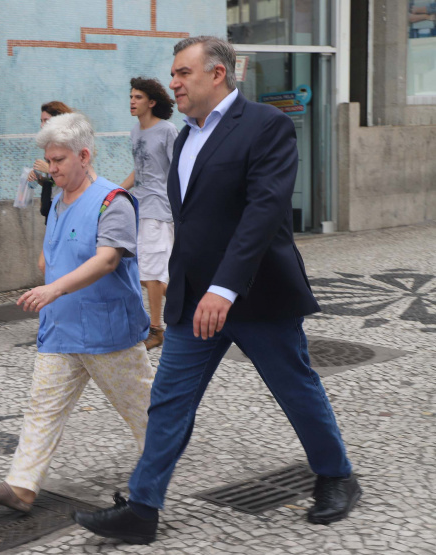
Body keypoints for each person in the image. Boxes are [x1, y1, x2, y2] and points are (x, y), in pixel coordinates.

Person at [74, 37, 360, 544]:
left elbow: (263, 212)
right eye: (174, 74)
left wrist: (225, 288)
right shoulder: (185, 137)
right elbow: (192, 220)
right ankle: (142, 509)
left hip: (256, 296)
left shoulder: (266, 125)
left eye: (183, 73)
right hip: (192, 300)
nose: (174, 83)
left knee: (294, 388)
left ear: (218, 75)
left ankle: (336, 475)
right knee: (168, 402)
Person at [0, 113, 154, 513]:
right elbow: (55, 252)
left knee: (145, 415)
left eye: (58, 161)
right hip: (60, 331)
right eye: (49, 160)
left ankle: (153, 484)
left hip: (109, 335)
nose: (50, 168)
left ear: (84, 155)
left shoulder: (114, 201)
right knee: (42, 408)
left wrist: (54, 287)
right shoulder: (58, 199)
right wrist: (47, 267)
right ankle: (21, 487)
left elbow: (108, 260)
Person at [119, 77, 178, 350]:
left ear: (152, 102)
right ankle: (194, 302)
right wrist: (115, 192)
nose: (132, 101)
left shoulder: (167, 130)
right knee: (144, 273)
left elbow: (179, 170)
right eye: (131, 96)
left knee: (153, 272)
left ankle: (156, 330)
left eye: (138, 97)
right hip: (139, 207)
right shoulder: (135, 132)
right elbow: (138, 171)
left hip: (160, 208)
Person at [30, 101, 73, 273]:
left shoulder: (68, 145)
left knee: (49, 262)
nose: (42, 125)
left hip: (66, 208)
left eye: (46, 121)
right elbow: (54, 181)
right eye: (41, 121)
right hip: (52, 209)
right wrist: (40, 178)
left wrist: (49, 169)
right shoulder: (49, 146)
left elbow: (73, 179)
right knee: (49, 261)